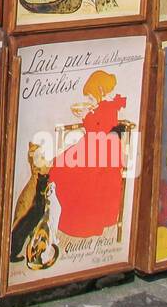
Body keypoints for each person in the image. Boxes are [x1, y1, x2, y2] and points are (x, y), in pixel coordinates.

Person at [47, 70, 128, 240]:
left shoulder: (108, 107)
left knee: (72, 171)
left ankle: (79, 222)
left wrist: (86, 116)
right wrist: (88, 115)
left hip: (102, 152)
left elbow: (97, 129)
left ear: (100, 91)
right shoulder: (104, 106)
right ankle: (61, 213)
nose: (89, 102)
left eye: (90, 98)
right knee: (59, 164)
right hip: (94, 146)